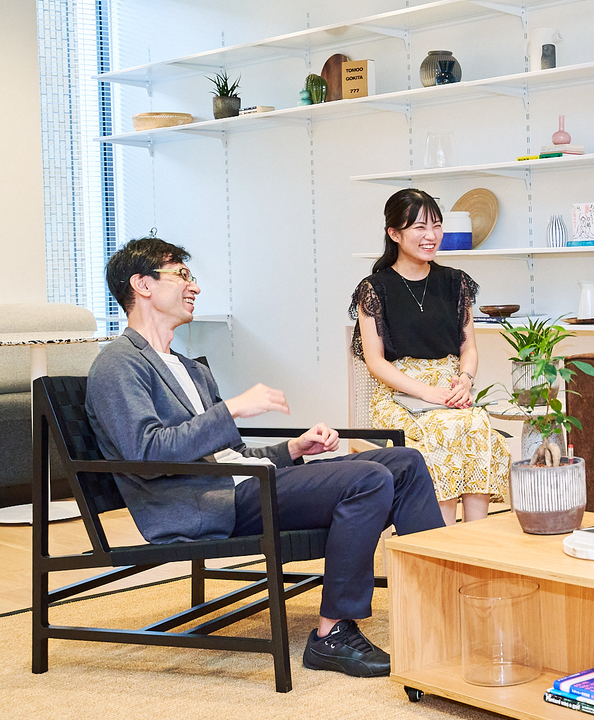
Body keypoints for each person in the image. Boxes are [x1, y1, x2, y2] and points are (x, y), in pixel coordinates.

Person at [86, 237, 444, 679]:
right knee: (367, 479)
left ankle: (439, 607)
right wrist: (232, 409)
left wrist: (291, 450)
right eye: (181, 274)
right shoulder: (118, 364)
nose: (194, 286)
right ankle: (331, 635)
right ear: (141, 284)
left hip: (245, 485)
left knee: (404, 462)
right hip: (206, 504)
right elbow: (147, 452)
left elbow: (229, 455)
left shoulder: (190, 368)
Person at [350, 189, 513, 527]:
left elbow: (468, 348)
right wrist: (426, 392)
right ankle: (443, 540)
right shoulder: (374, 288)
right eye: (420, 227)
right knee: (445, 429)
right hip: (398, 395)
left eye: (437, 226)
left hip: (449, 391)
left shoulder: (455, 282)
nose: (431, 235)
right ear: (395, 234)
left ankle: (475, 537)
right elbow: (375, 362)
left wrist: (464, 380)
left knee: (478, 426)